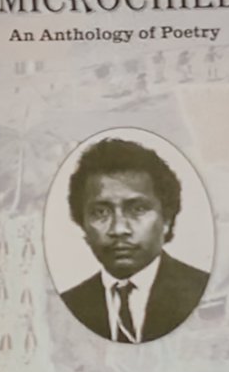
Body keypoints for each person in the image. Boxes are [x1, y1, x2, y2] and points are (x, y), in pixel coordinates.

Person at [57, 135, 210, 344]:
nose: (119, 229)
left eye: (137, 209)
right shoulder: (69, 305)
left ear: (167, 218)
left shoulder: (203, 292)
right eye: (100, 212)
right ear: (82, 223)